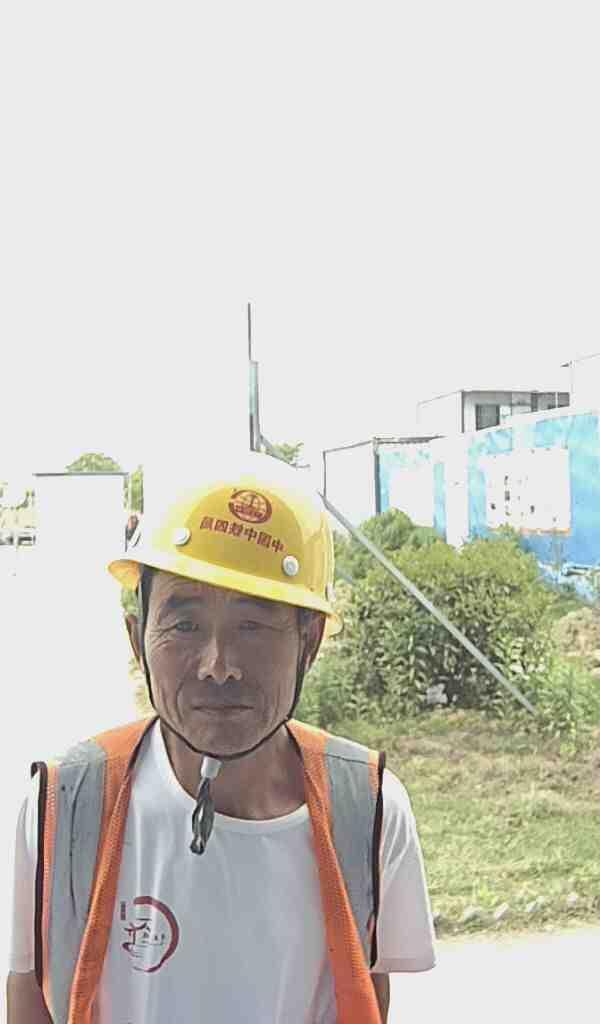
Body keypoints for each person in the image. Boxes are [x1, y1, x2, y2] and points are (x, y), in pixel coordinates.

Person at [7, 453, 436, 1023]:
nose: (218, 665)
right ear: (137, 639)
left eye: (253, 626)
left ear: (309, 642)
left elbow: (367, 995)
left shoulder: (368, 808)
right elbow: (29, 991)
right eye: (184, 625)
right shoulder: (65, 804)